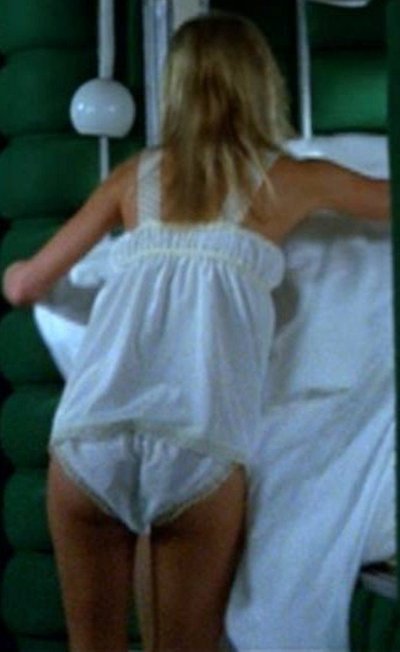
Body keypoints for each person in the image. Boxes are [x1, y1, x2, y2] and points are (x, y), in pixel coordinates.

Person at [2, 11, 390, 652]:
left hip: (91, 437)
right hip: (195, 441)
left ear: (175, 88)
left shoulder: (133, 177)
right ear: (260, 83)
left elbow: (24, 288)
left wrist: (16, 270)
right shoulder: (290, 180)